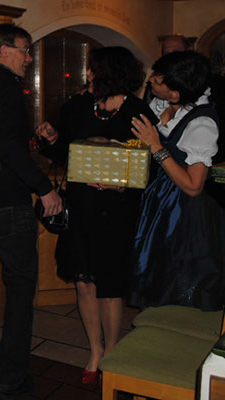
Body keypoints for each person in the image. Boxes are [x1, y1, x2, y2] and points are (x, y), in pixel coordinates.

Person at [35, 46, 157, 386]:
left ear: (112, 73)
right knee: (83, 280)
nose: (88, 74)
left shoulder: (137, 112)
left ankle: (113, 351)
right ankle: (95, 350)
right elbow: (63, 152)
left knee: (109, 284)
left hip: (117, 210)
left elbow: (152, 165)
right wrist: (51, 138)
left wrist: (120, 181)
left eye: (94, 69)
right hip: (82, 206)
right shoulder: (77, 106)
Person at [0, 23, 62, 400]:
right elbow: (6, 148)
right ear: (4, 50)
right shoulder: (7, 87)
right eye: (25, 50)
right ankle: (11, 377)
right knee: (21, 293)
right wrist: (45, 187)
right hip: (9, 203)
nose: (29, 59)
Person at [129, 51, 225, 311]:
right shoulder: (163, 106)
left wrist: (156, 147)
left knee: (177, 280)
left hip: (185, 213)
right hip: (161, 201)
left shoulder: (201, 124)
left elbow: (193, 186)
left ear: (176, 93)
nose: (150, 80)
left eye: (158, 79)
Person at [152, 35, 225, 164]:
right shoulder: (159, 97)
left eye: (176, 52)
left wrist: (157, 148)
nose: (171, 57)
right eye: (166, 53)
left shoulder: (202, 119)